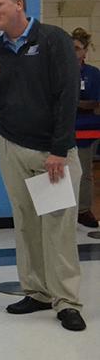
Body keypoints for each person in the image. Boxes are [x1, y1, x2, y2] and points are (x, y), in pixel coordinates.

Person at [0, 0, 85, 331]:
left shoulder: (53, 40)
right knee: (25, 221)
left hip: (49, 153)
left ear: (18, 4)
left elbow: (67, 96)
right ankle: (37, 290)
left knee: (57, 224)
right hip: (11, 146)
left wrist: (59, 149)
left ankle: (66, 300)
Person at [72, 28, 100, 228]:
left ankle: (83, 209)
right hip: (63, 129)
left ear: (84, 51)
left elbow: (96, 103)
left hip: (87, 129)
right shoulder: (58, 71)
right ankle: (65, 211)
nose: (73, 52)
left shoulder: (93, 74)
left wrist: (75, 104)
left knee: (84, 171)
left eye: (76, 48)